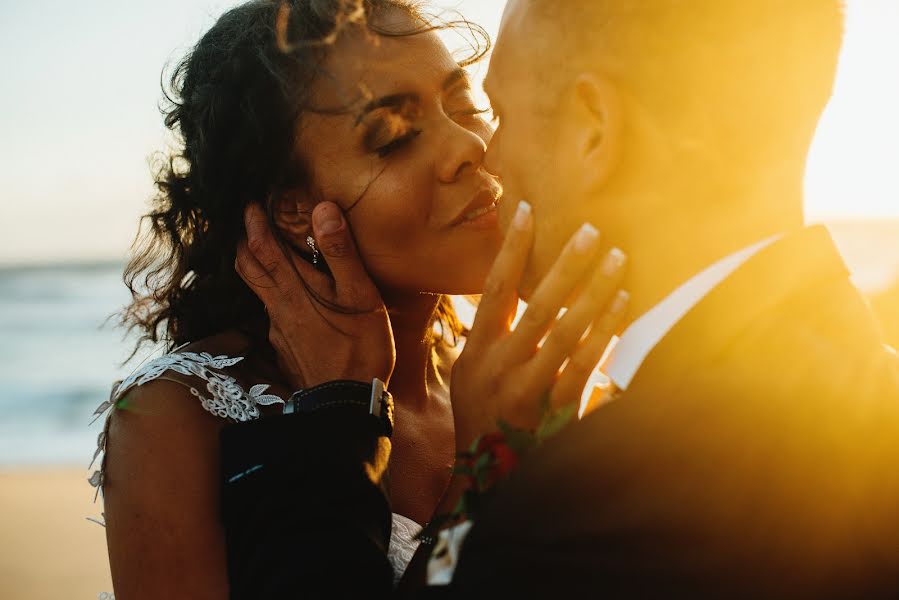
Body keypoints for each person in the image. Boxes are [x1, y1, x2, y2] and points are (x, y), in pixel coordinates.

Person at [225, 0, 899, 597]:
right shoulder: (876, 383)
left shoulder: (603, 488)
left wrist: (455, 465)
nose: (482, 152)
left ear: (594, 130)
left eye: (498, 113)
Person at [89, 0, 627, 597]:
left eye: (465, 105)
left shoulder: (517, 380)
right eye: (395, 138)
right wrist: (485, 465)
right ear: (296, 212)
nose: (469, 148)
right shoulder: (182, 419)